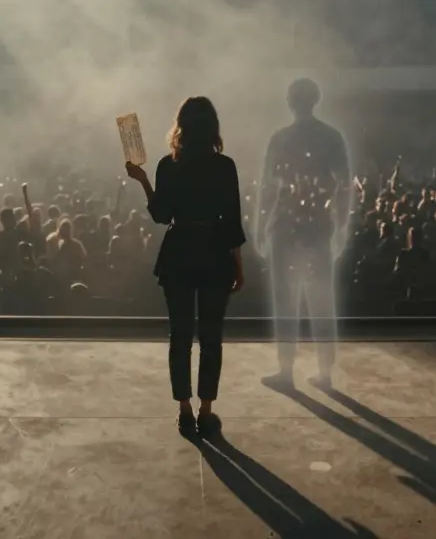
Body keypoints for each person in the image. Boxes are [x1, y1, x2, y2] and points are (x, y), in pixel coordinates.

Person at [125, 96, 246, 438]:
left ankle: (184, 410)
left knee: (180, 337)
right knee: (211, 338)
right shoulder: (226, 167)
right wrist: (237, 264)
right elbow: (233, 220)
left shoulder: (169, 165)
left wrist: (143, 181)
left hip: (179, 252)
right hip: (215, 252)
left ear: (181, 125)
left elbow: (162, 215)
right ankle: (207, 410)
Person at [256, 78, 350, 389]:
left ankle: (286, 371)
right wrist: (341, 225)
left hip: (284, 228)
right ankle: (325, 373)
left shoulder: (280, 139)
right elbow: (343, 185)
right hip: (318, 227)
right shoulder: (331, 137)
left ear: (290, 102)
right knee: (322, 299)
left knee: (286, 298)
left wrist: (260, 225)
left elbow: (269, 188)